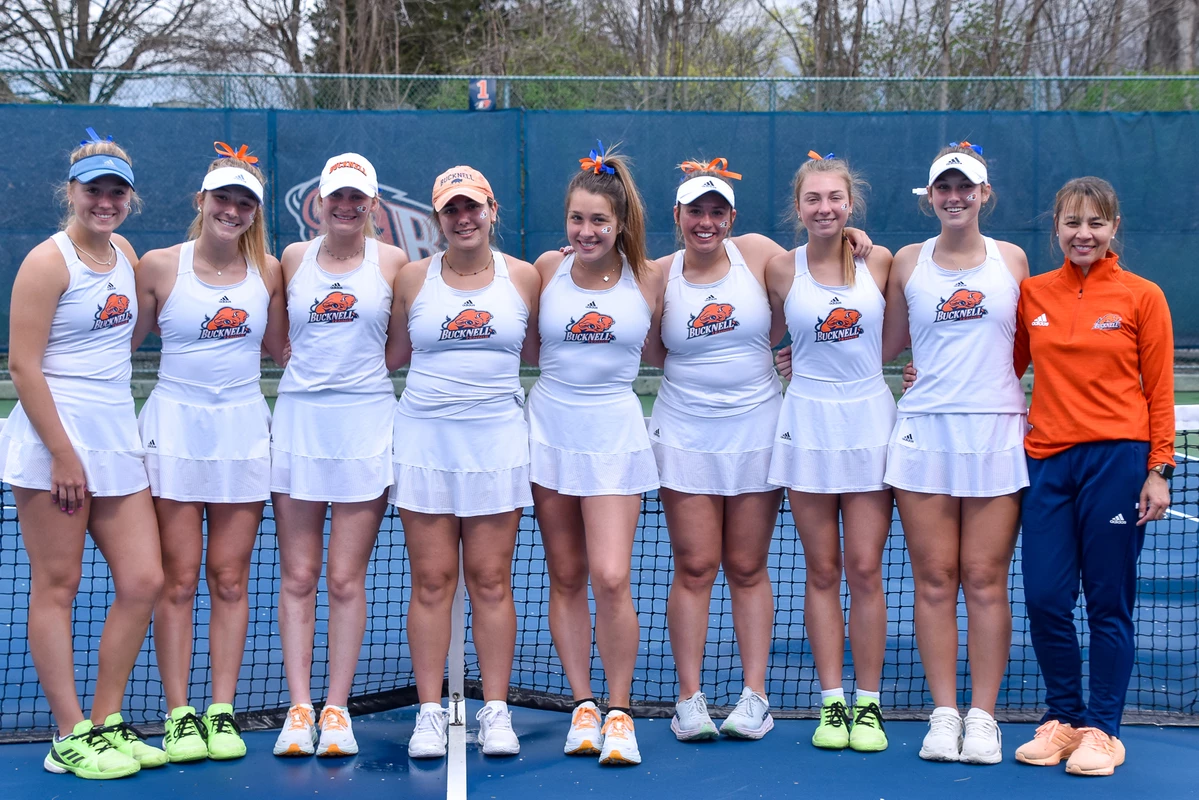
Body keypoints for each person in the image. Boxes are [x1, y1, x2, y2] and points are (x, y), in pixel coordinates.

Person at [0, 128, 166, 779]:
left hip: (115, 438)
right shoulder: (47, 262)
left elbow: (121, 341)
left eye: (116, 191)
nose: (106, 201)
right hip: (53, 444)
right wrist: (63, 455)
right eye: (94, 190)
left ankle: (105, 721)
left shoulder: (125, 252)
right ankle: (68, 735)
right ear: (71, 192)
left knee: (144, 580)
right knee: (58, 585)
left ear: (130, 198)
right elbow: (23, 365)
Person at [1009, 177, 1173, 776]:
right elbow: (1001, 368)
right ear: (1056, 227)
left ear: (1114, 228)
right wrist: (926, 375)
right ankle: (1064, 719)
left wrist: (1158, 469)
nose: (1084, 234)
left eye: (1096, 223)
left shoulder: (1143, 296)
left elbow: (1159, 390)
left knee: (1107, 600)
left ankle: (1103, 730)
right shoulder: (1032, 293)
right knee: (1045, 598)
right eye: (1073, 223)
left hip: (1117, 464)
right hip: (1047, 465)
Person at [132, 143, 287, 762]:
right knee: (178, 579)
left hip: (243, 432)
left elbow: (288, 347)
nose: (232, 210)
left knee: (229, 577)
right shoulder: (157, 267)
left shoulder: (269, 272)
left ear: (255, 212)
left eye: (244, 202)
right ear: (201, 201)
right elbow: (113, 342)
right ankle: (179, 715)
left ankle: (221, 711)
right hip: (173, 430)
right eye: (222, 198)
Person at [882, 142, 1029, 764]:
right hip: (924, 435)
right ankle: (944, 714)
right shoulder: (906, 262)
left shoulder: (1013, 260)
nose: (954, 197)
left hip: (996, 434)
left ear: (983, 194)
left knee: (986, 580)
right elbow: (883, 342)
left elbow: (1026, 343)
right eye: (943, 187)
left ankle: (984, 717)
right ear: (930, 197)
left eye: (965, 187)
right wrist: (794, 355)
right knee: (936, 580)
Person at [388, 166, 540, 759]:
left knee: (491, 580)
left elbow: (543, 347)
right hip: (424, 441)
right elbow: (390, 353)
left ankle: (496, 712)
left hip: (497, 441)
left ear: (492, 209)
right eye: (451, 209)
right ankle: (430, 713)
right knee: (430, 582)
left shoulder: (525, 277)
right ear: (438, 219)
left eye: (472, 206)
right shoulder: (410, 278)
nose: (463, 218)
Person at [526, 142, 660, 766]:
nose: (586, 231)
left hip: (615, 433)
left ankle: (619, 710)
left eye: (599, 220)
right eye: (577, 219)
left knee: (611, 576)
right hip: (549, 429)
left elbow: (729, 266)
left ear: (620, 222)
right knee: (566, 575)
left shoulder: (651, 276)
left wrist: (853, 238)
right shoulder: (543, 270)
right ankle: (583, 705)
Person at [271, 153, 408, 758]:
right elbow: (276, 334)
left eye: (357, 197)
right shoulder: (292, 259)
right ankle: (299, 708)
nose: (346, 206)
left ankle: (335, 708)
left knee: (346, 579)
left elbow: (401, 344)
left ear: (372, 204)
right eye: (336, 197)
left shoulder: (395, 263)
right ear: (320, 202)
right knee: (299, 575)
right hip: (298, 426)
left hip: (366, 427)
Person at [765, 151, 896, 752]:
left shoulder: (881, 261)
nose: (825, 208)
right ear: (798, 207)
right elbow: (750, 326)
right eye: (813, 199)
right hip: (807, 422)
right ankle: (833, 703)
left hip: (869, 419)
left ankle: (868, 704)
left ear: (851, 203)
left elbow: (903, 335)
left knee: (865, 569)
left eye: (835, 198)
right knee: (821, 570)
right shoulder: (777, 268)